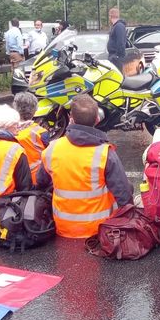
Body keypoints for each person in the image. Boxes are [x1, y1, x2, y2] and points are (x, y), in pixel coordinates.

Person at [37, 94, 133, 239]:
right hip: (99, 228)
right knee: (127, 185)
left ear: (71, 119)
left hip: (62, 226)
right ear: (97, 119)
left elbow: (41, 182)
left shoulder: (52, 149)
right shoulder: (105, 153)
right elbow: (123, 195)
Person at [13, 92, 49, 185]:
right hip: (36, 179)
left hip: (14, 179)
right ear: (35, 110)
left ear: (15, 108)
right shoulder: (40, 132)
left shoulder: (7, 130)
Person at [106, 8, 127, 72]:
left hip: (116, 58)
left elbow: (120, 43)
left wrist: (117, 56)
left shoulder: (119, 26)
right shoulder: (115, 26)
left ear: (110, 16)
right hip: (113, 56)